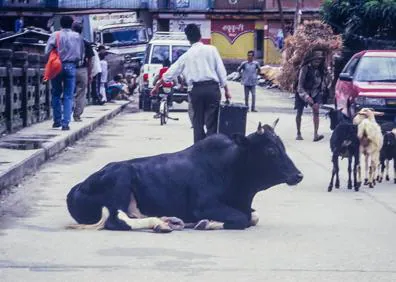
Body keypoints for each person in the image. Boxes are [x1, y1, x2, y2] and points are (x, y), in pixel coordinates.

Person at [151, 23, 231, 143]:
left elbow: (171, 72)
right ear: (200, 36)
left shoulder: (186, 55)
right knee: (212, 122)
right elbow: (221, 71)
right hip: (212, 89)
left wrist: (157, 85)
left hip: (196, 91)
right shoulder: (212, 50)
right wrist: (226, 90)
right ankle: (212, 149)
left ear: (188, 39)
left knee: (197, 122)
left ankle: (198, 151)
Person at [45, 15, 84, 131]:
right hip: (71, 66)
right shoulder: (77, 36)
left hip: (57, 65)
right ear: (72, 24)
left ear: (60, 24)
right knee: (68, 96)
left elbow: (46, 51)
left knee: (56, 93)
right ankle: (65, 123)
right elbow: (81, 54)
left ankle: (56, 121)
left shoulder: (55, 35)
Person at [294, 49, 331, 142]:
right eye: (316, 60)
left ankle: (316, 134)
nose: (318, 62)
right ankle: (298, 132)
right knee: (299, 112)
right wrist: (306, 97)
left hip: (315, 91)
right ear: (311, 60)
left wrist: (328, 76)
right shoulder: (304, 68)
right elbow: (300, 87)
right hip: (303, 92)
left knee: (316, 109)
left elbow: (325, 82)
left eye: (319, 60)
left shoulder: (321, 69)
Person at [72, 22, 94, 122]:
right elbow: (91, 60)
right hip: (82, 70)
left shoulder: (67, 41)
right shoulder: (86, 42)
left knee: (67, 92)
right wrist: (90, 74)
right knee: (81, 93)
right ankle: (77, 115)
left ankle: (66, 113)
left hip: (69, 68)